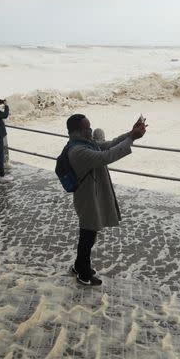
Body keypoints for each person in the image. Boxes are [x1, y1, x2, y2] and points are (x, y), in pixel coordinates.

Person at [66, 114, 147, 286]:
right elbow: (106, 156)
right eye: (87, 127)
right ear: (79, 131)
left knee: (88, 234)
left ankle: (79, 265)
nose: (91, 130)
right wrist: (132, 138)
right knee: (88, 236)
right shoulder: (78, 151)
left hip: (90, 195)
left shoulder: (84, 143)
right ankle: (83, 274)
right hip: (86, 199)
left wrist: (130, 134)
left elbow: (109, 145)